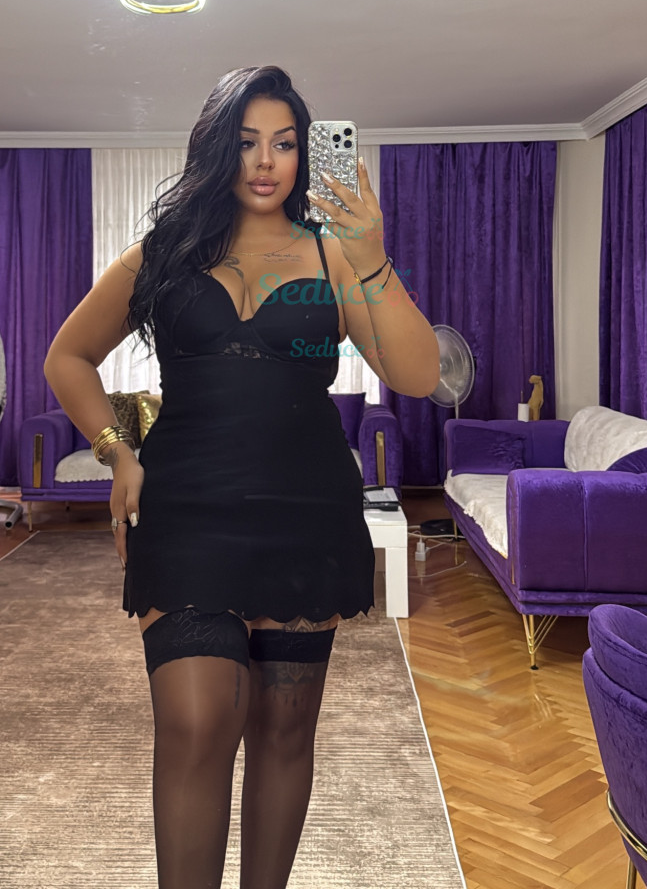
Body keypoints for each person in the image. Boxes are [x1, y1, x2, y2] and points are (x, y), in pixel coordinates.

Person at [43, 66, 440, 889]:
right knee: (196, 723)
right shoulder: (164, 253)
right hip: (185, 507)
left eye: (285, 144)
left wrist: (371, 255)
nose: (265, 162)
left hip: (305, 511)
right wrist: (118, 451)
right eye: (247, 141)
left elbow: (415, 372)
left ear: (304, 156)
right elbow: (68, 356)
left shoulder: (336, 254)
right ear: (217, 149)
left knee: (284, 736)